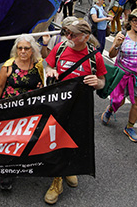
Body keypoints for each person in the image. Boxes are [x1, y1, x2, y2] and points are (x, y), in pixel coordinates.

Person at [43, 19, 106, 205]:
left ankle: (69, 169)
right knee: (56, 141)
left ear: (85, 37)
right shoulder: (61, 48)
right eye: (67, 33)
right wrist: (51, 71)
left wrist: (98, 82)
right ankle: (57, 182)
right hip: (59, 104)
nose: (68, 37)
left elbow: (102, 81)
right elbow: (48, 65)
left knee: (74, 140)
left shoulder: (95, 57)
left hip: (80, 106)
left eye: (73, 34)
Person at [0, 35, 44, 191]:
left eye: (26, 48)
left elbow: (42, 87)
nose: (22, 51)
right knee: (9, 141)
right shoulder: (8, 66)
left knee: (25, 141)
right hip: (10, 110)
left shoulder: (38, 66)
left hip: (30, 111)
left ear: (32, 50)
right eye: (20, 48)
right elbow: (0, 87)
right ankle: (7, 174)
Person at [101, 10, 137, 141]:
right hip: (123, 73)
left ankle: (129, 127)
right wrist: (116, 45)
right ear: (130, 21)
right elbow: (111, 55)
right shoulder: (122, 35)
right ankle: (110, 109)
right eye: (135, 20)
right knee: (119, 100)